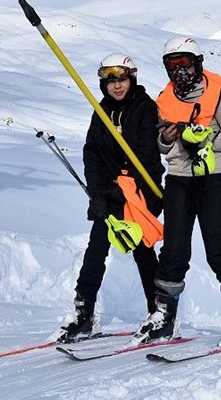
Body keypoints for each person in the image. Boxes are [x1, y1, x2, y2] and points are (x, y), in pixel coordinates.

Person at [132, 36, 221, 347]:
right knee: (173, 249)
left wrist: (203, 138)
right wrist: (168, 138)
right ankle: (164, 316)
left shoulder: (220, 91)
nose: (179, 71)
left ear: (197, 62)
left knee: (217, 246)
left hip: (215, 177)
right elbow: (163, 147)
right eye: (172, 65)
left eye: (184, 63)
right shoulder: (164, 99)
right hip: (178, 178)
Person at [55, 54, 165, 343]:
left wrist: (120, 189)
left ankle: (159, 313)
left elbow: (148, 157)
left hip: (140, 190)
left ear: (132, 79)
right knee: (97, 248)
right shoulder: (101, 110)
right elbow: (92, 152)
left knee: (142, 251)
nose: (117, 86)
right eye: (111, 80)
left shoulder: (144, 108)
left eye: (122, 79)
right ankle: (83, 313)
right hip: (110, 191)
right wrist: (98, 193)